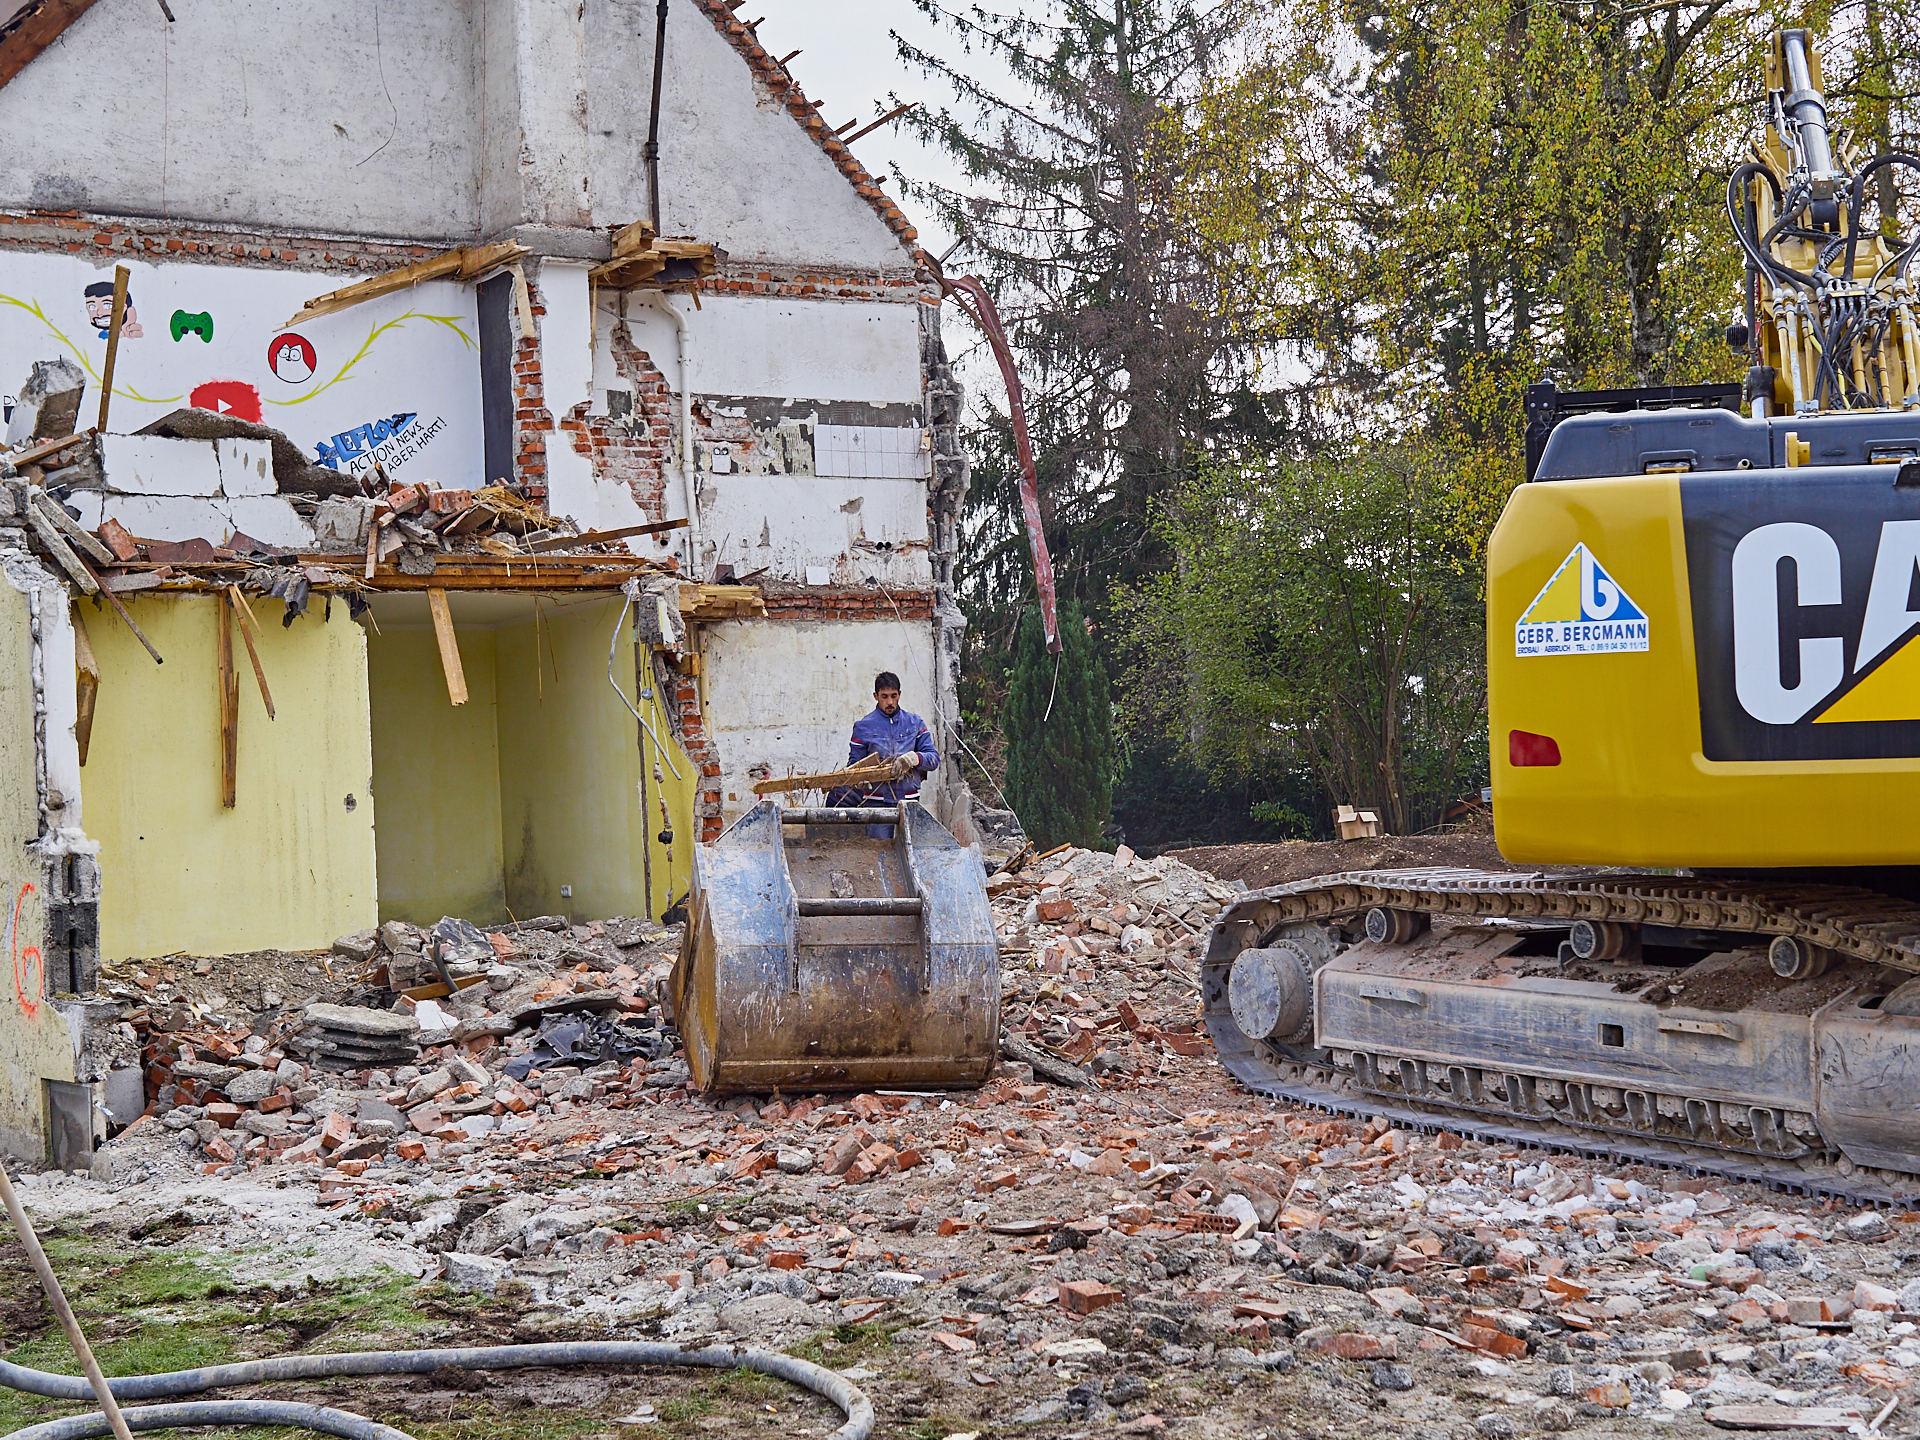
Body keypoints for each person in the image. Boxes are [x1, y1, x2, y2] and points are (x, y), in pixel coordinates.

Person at [827, 671, 939, 837]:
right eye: (884, 696)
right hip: (876, 803)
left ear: (900, 694)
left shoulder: (915, 723)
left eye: (894, 696)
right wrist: (860, 779)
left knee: (912, 852)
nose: (890, 702)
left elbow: (933, 759)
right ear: (876, 696)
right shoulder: (863, 727)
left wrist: (914, 758)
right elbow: (854, 765)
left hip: (909, 801)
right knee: (879, 851)